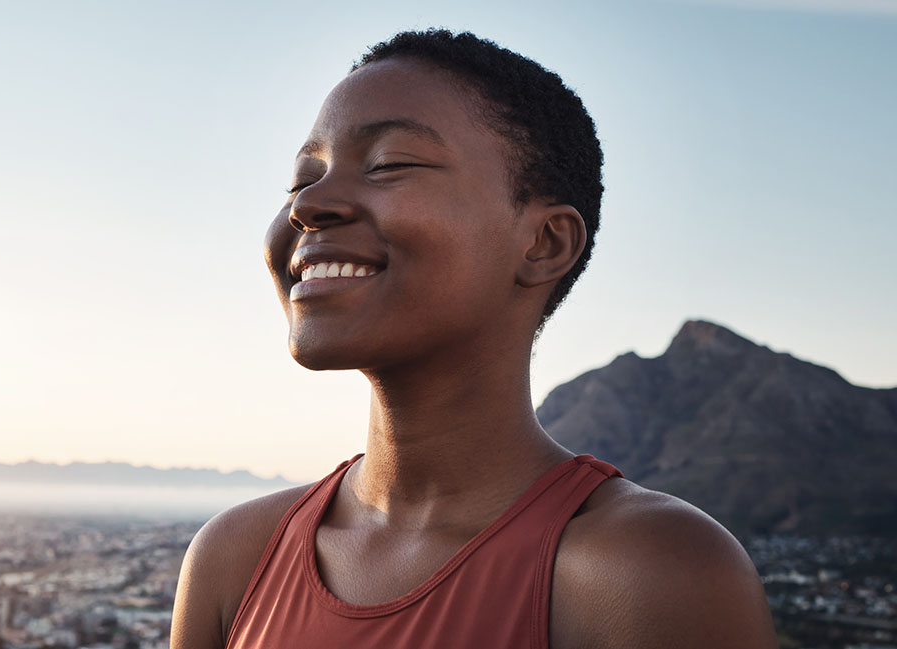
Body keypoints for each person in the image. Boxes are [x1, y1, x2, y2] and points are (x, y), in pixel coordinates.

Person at [171, 29, 777, 649]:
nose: (309, 205)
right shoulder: (234, 559)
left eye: (389, 163)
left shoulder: (650, 574)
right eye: (301, 180)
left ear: (543, 244)